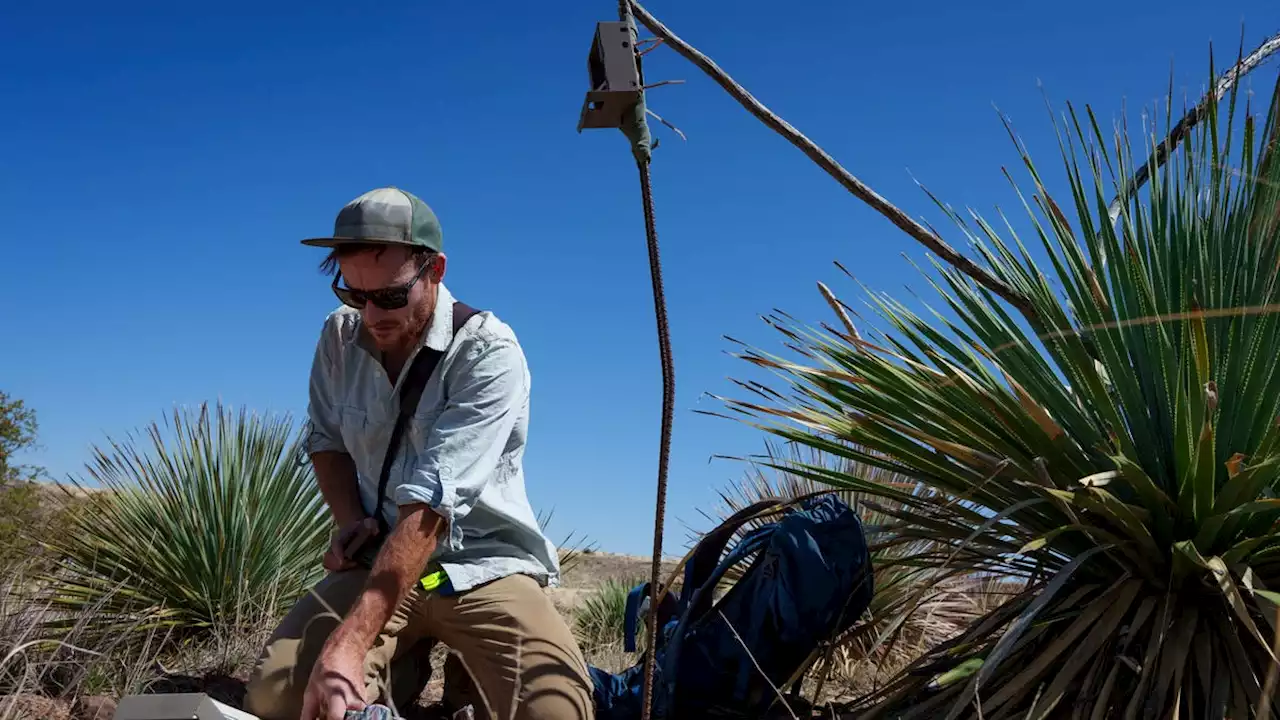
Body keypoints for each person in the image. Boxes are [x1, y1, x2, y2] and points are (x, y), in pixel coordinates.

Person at [244, 187, 595, 720]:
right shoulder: (339, 338)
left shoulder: (488, 354)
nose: (370, 314)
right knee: (279, 699)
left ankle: (461, 680)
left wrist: (351, 642)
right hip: (378, 559)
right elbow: (327, 440)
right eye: (352, 294)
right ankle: (397, 676)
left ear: (434, 270)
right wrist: (350, 523)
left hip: (478, 566)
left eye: (388, 296)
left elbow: (432, 504)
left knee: (557, 713)